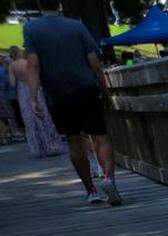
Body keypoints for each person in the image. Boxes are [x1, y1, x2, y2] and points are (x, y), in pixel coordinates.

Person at [22, 2, 120, 204]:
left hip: (58, 94)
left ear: (39, 5)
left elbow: (33, 64)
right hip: (86, 89)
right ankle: (108, 178)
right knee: (100, 136)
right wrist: (104, 88)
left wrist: (33, 98)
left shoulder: (30, 29)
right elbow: (94, 61)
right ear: (58, 3)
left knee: (74, 141)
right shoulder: (76, 25)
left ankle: (91, 190)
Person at [8, 45, 68, 161]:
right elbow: (38, 77)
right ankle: (51, 144)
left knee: (30, 119)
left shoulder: (12, 65)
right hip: (34, 88)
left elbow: (12, 83)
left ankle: (39, 148)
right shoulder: (29, 63)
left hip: (22, 91)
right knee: (43, 115)